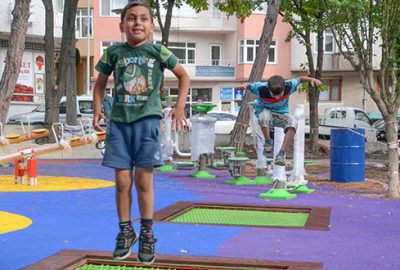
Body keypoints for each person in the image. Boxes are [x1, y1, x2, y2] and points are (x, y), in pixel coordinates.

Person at [92, 1, 189, 264]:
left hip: (147, 122)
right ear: (122, 24)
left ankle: (147, 233)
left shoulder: (158, 51)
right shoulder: (113, 53)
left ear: (151, 25)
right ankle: (125, 231)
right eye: (131, 18)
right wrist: (98, 109)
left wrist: (179, 108)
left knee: (143, 181)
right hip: (120, 123)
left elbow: (184, 76)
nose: (137, 23)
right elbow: (99, 84)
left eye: (143, 19)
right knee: (122, 181)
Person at [237, 75, 321, 166]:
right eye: (274, 95)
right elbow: (249, 85)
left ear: (284, 88)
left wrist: (313, 79)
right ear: (268, 89)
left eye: (279, 95)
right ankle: (268, 142)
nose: (277, 98)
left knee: (293, 123)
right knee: (264, 115)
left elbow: (300, 79)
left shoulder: (289, 85)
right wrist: (244, 85)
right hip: (266, 115)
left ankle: (281, 154)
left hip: (281, 115)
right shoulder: (260, 88)